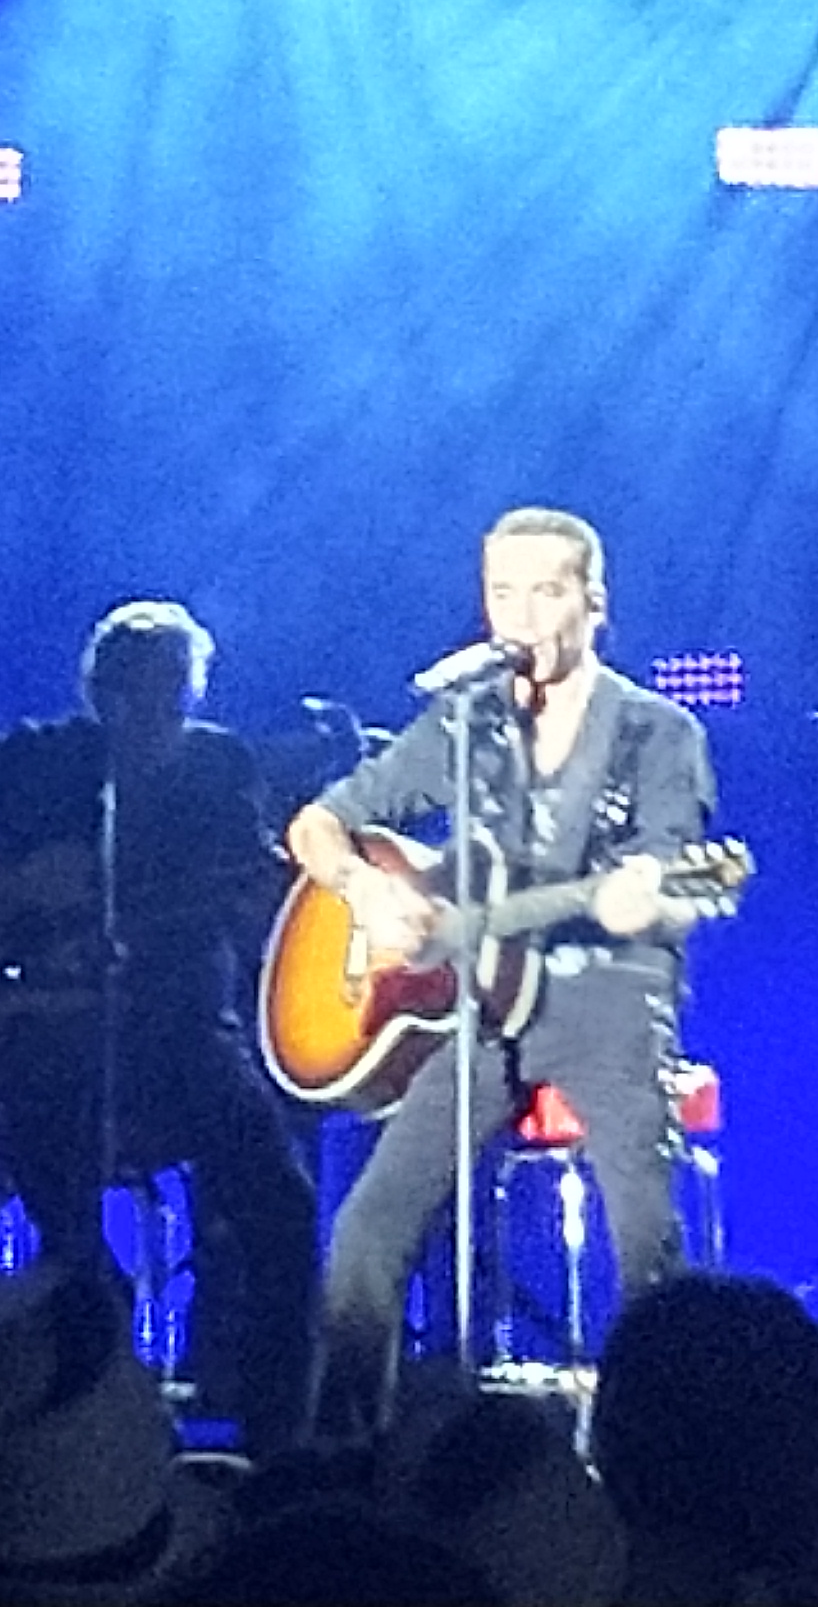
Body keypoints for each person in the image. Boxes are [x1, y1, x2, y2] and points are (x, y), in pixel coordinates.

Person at [289, 508, 719, 1437]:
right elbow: (317, 825)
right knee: (365, 1231)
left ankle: (667, 1446)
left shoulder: (656, 733)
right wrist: (368, 889)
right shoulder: (467, 721)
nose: (519, 616)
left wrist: (646, 898)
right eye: (501, 593)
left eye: (545, 592)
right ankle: (345, 1452)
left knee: (645, 1243)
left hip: (610, 1001)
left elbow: (675, 887)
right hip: (482, 1011)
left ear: (594, 604)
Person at [0, 599, 321, 1441]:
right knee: (70, 1244)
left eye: (172, 691)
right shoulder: (42, 759)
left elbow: (247, 889)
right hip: (53, 1042)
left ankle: (282, 1440)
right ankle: (94, 1425)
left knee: (281, 1203)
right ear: (99, 692)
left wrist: (270, 904)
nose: (154, 711)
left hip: (184, 1033)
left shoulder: (218, 768)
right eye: (135, 691)